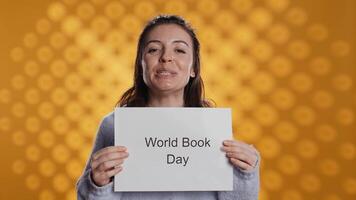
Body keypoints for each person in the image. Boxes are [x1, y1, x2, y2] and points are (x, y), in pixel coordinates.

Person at [76, 15, 260, 200]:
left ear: (193, 68)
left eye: (179, 50)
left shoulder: (212, 126)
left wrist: (246, 175)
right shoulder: (113, 125)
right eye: (154, 49)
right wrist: (96, 183)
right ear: (141, 66)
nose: (166, 57)